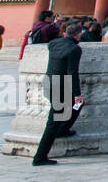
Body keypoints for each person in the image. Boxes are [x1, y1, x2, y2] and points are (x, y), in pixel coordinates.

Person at [33, 22, 83, 166]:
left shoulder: (53, 43)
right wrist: (77, 93)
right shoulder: (75, 49)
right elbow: (72, 72)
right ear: (78, 35)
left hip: (50, 82)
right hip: (62, 86)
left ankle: (64, 129)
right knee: (53, 123)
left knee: (75, 106)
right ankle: (40, 157)